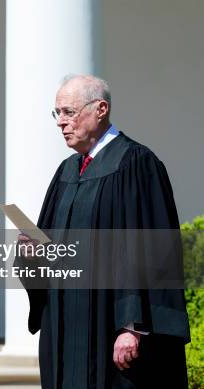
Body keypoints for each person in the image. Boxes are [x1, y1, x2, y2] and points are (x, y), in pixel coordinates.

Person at [20, 74, 190, 388]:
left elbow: (156, 253)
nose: (61, 122)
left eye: (69, 112)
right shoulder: (66, 171)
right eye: (57, 113)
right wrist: (32, 254)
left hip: (110, 329)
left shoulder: (137, 164)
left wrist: (132, 326)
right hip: (64, 326)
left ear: (100, 109)